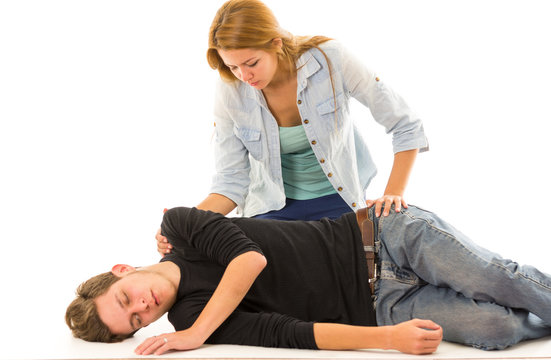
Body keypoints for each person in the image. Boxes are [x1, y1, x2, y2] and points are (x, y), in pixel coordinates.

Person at [67, 205, 551, 356]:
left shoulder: (181, 226)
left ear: (121, 270)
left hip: (383, 238)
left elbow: (248, 260)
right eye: (136, 320)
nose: (143, 305)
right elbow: (287, 333)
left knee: (499, 280)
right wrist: (389, 339)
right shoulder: (192, 315)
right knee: (498, 330)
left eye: (127, 297)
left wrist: (195, 336)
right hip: (382, 307)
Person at [156, 0, 429, 255]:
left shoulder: (330, 60)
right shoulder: (230, 90)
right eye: (233, 67)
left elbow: (405, 124)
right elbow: (231, 182)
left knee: (343, 273)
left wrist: (393, 193)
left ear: (276, 42)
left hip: (338, 200)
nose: (244, 76)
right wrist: (185, 224)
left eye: (251, 63)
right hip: (270, 209)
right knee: (235, 265)